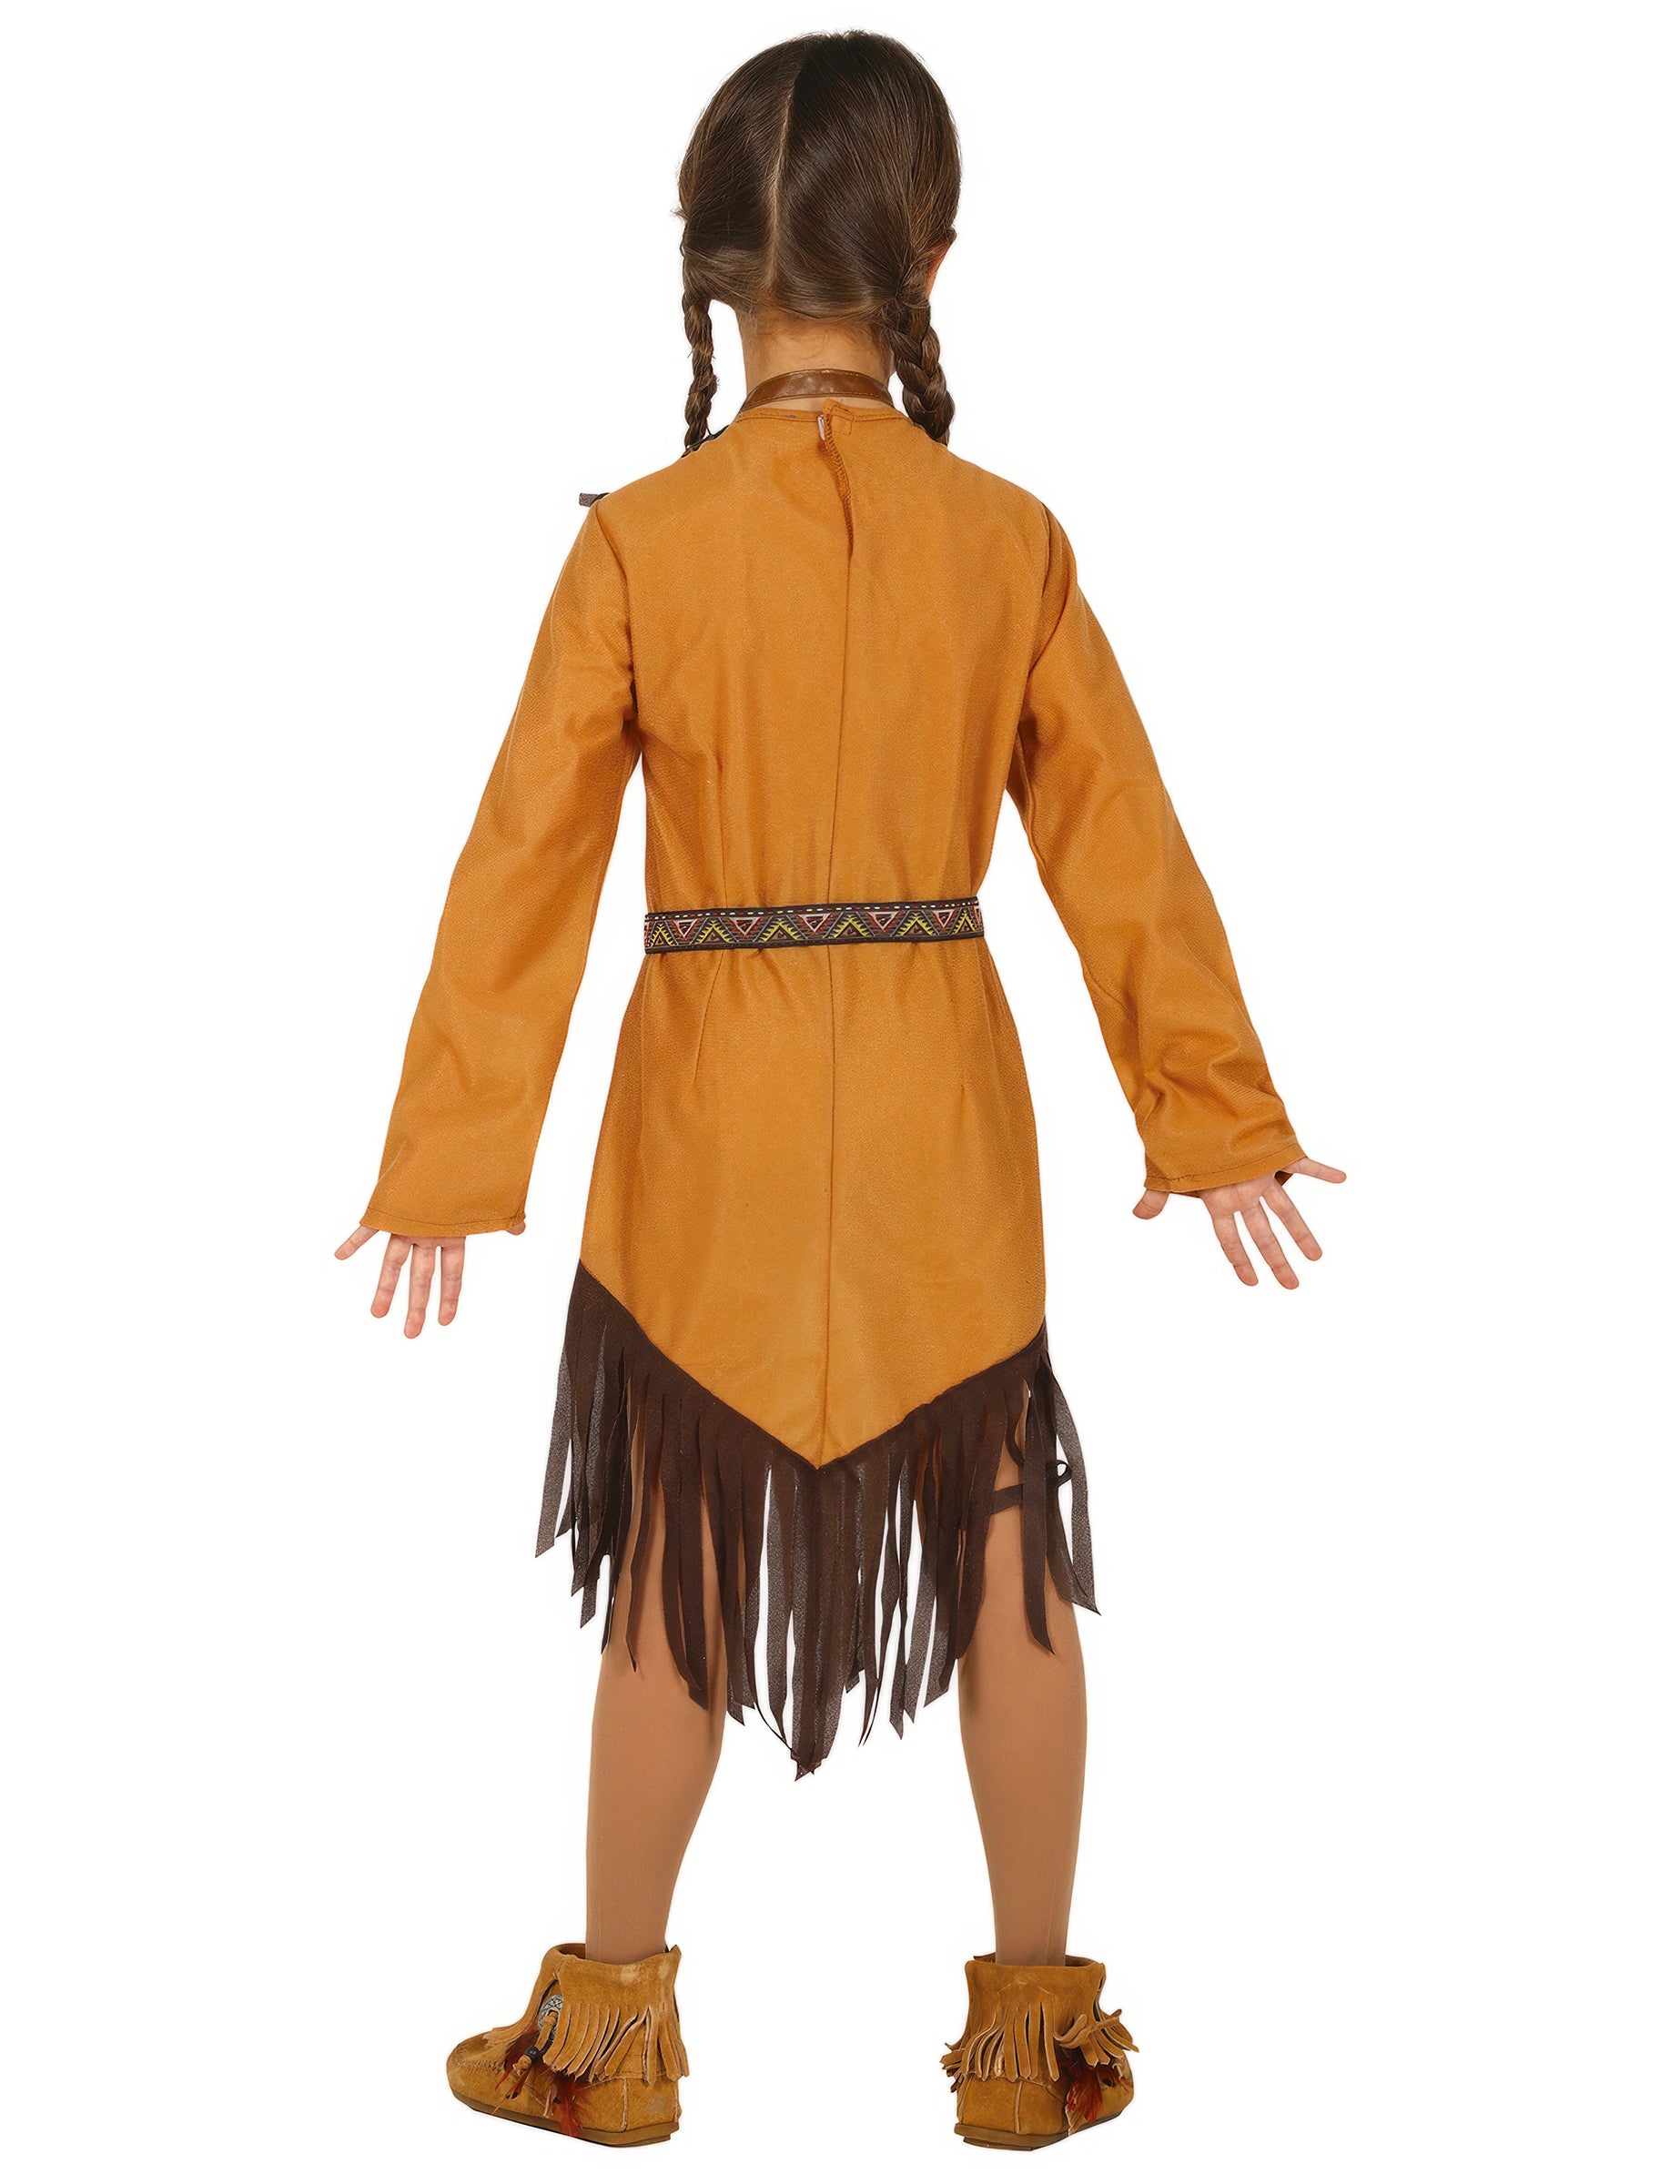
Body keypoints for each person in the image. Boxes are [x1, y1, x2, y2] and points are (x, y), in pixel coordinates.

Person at [338, 30, 1342, 2152]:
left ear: (712, 270)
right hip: (936, 1113)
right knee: (1007, 1562)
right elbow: (1123, 847)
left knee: (674, 1577)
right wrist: (1212, 1113)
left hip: (704, 1113)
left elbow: (521, 864)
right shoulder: (1008, 540)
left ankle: (604, 2045)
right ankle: (1037, 2047)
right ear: (931, 261)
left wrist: (443, 1162)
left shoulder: (642, 547)